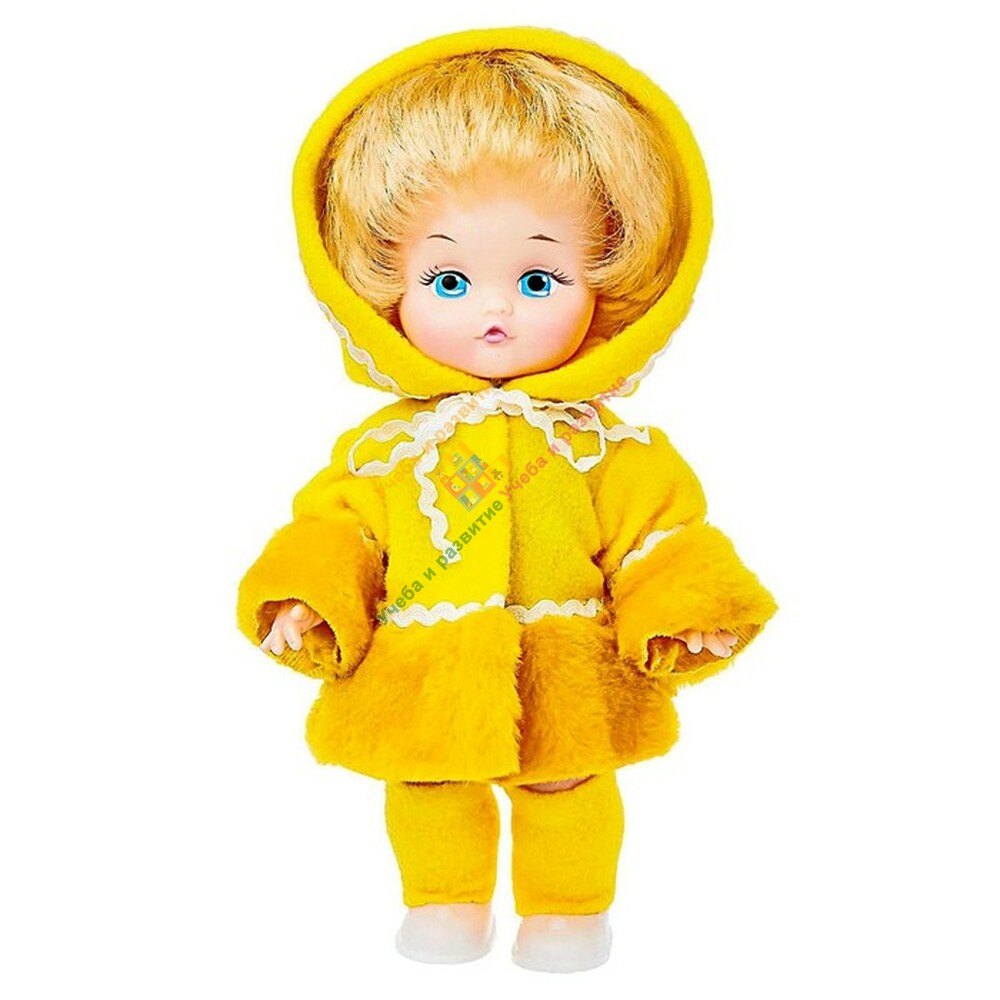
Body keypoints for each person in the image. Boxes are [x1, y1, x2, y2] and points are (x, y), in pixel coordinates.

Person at [236, 26, 777, 973]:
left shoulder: (603, 449)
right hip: (425, 659)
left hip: (564, 656)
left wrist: (685, 605)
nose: (496, 310)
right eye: (448, 279)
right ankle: (444, 900)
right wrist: (309, 595)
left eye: (537, 278)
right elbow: (339, 529)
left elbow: (659, 532)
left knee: (569, 782)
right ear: (381, 289)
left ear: (609, 285)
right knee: (426, 785)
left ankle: (567, 910)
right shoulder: (388, 451)